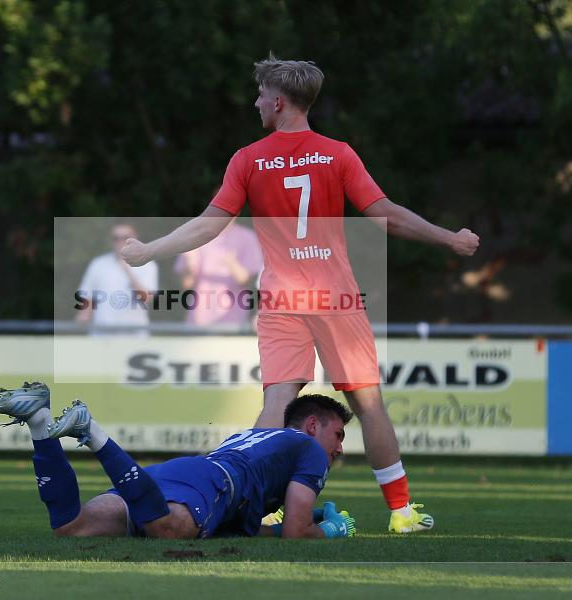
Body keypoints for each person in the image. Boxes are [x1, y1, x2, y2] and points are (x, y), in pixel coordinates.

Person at [121, 55, 480, 533]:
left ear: (278, 100)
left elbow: (210, 224)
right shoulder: (338, 153)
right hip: (335, 296)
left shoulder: (248, 159)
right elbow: (386, 216)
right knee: (369, 404)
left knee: (276, 404)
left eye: (259, 96)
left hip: (281, 299)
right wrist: (447, 237)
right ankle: (401, 513)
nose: (255, 103)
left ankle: (259, 503)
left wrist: (150, 250)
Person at [0, 382, 356, 539]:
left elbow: (256, 524)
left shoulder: (261, 438)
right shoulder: (310, 450)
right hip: (212, 482)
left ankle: (40, 424)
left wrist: (305, 517)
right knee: (168, 528)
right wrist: (330, 530)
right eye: (337, 435)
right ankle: (92, 431)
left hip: (184, 474)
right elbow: (295, 531)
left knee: (72, 528)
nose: (338, 448)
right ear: (311, 425)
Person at [75, 222, 158, 335]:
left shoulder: (148, 265)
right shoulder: (98, 264)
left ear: (135, 238)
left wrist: (127, 270)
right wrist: (83, 318)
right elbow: (87, 297)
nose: (120, 242)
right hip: (101, 336)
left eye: (125, 238)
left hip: (134, 336)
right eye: (115, 238)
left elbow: (147, 298)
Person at [175, 221, 262, 328]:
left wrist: (232, 264)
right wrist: (190, 265)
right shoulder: (194, 237)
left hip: (233, 323)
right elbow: (186, 284)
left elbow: (251, 282)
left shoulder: (248, 237)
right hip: (197, 321)